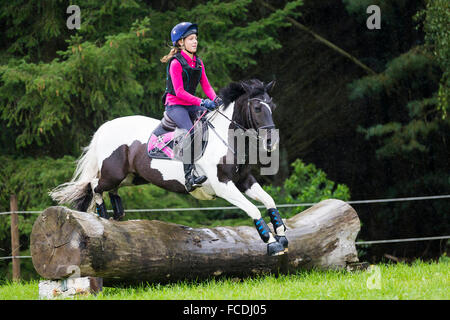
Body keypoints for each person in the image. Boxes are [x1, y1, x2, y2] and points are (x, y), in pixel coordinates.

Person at [159, 22, 223, 192]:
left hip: (192, 105)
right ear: (181, 42)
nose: (195, 42)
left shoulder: (198, 62)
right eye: (191, 39)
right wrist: (203, 102)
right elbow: (179, 92)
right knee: (192, 131)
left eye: (196, 38)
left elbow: (207, 86)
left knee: (211, 124)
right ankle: (189, 177)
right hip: (175, 106)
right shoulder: (175, 63)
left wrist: (216, 99)